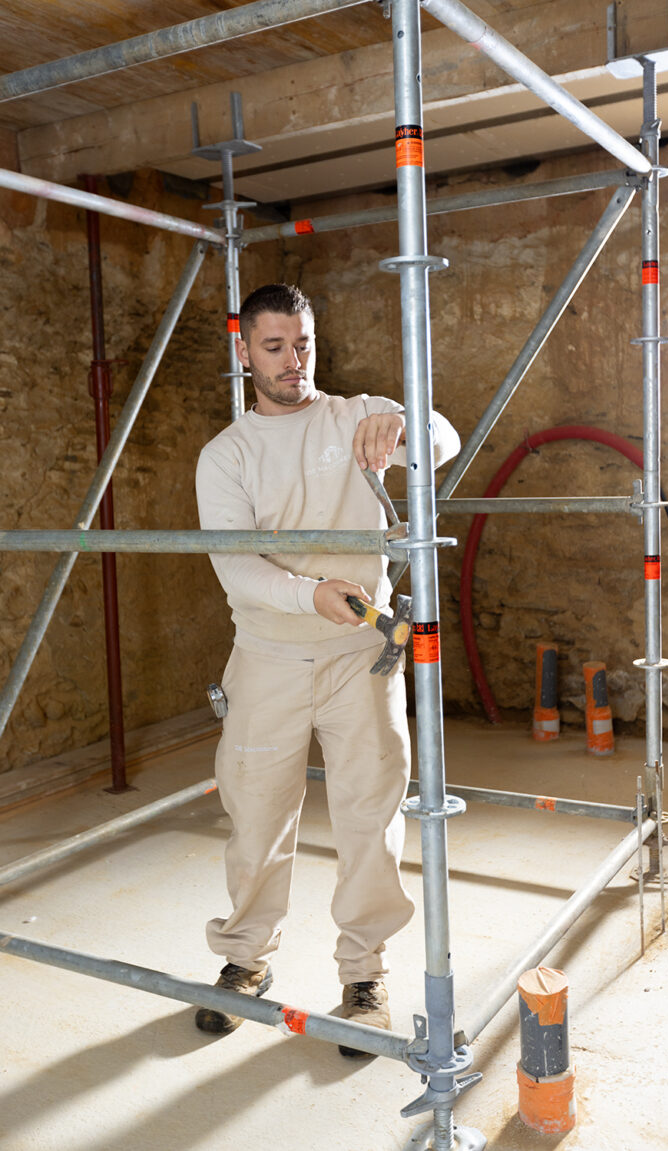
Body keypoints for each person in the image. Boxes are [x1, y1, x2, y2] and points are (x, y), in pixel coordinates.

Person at [194, 282, 460, 1055]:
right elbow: (239, 572)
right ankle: (244, 962)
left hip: (359, 656)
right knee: (257, 817)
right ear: (244, 352)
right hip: (269, 656)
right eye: (273, 346)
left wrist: (403, 421)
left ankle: (363, 976)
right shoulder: (228, 454)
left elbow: (440, 441)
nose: (292, 361)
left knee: (368, 816)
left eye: (303, 343)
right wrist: (313, 594)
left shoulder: (355, 416)